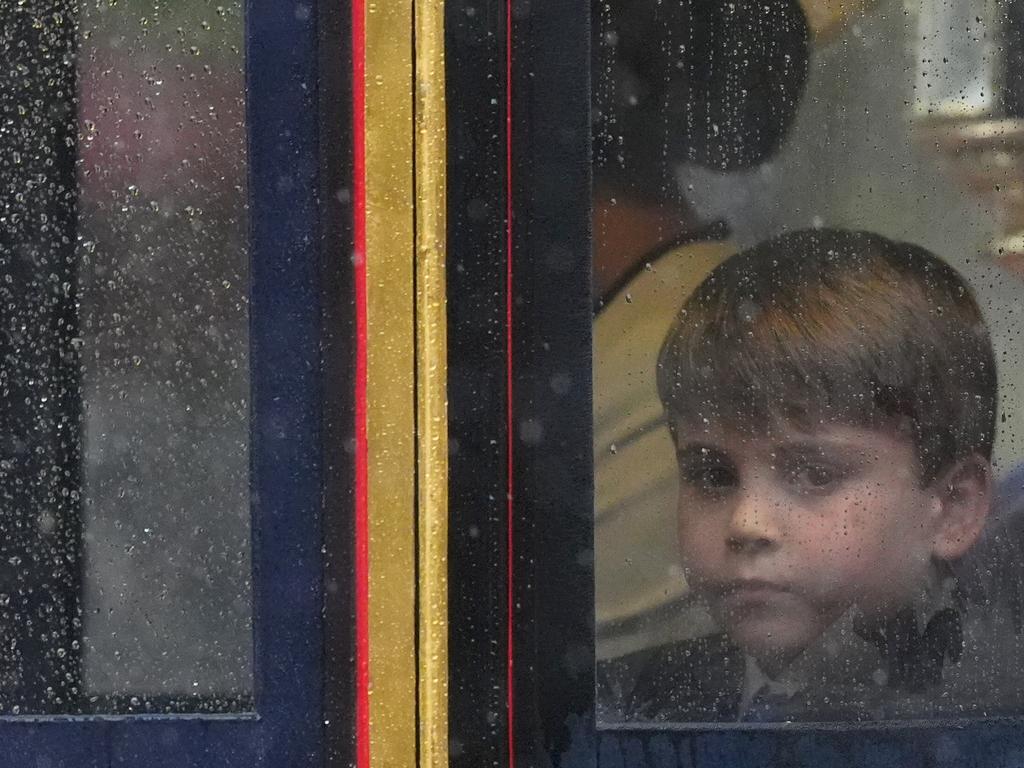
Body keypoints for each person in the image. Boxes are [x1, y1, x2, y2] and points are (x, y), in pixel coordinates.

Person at [597, 228, 1024, 722]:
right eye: (712, 475)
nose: (746, 524)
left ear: (953, 507)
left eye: (815, 474)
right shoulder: (619, 705)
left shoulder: (992, 718)